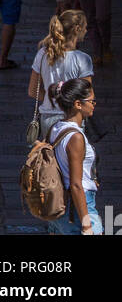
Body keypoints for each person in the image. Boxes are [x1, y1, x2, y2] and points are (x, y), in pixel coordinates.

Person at [48, 78, 102, 236]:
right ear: (78, 104)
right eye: (92, 101)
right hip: (78, 204)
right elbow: (76, 184)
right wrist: (87, 225)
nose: (94, 104)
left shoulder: (56, 127)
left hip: (58, 203)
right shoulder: (76, 137)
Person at [28, 11, 92, 140]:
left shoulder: (42, 54)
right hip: (72, 118)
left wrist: (51, 98)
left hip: (47, 117)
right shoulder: (83, 59)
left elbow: (32, 91)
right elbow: (88, 95)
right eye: (85, 27)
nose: (86, 30)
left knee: (50, 158)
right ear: (77, 29)